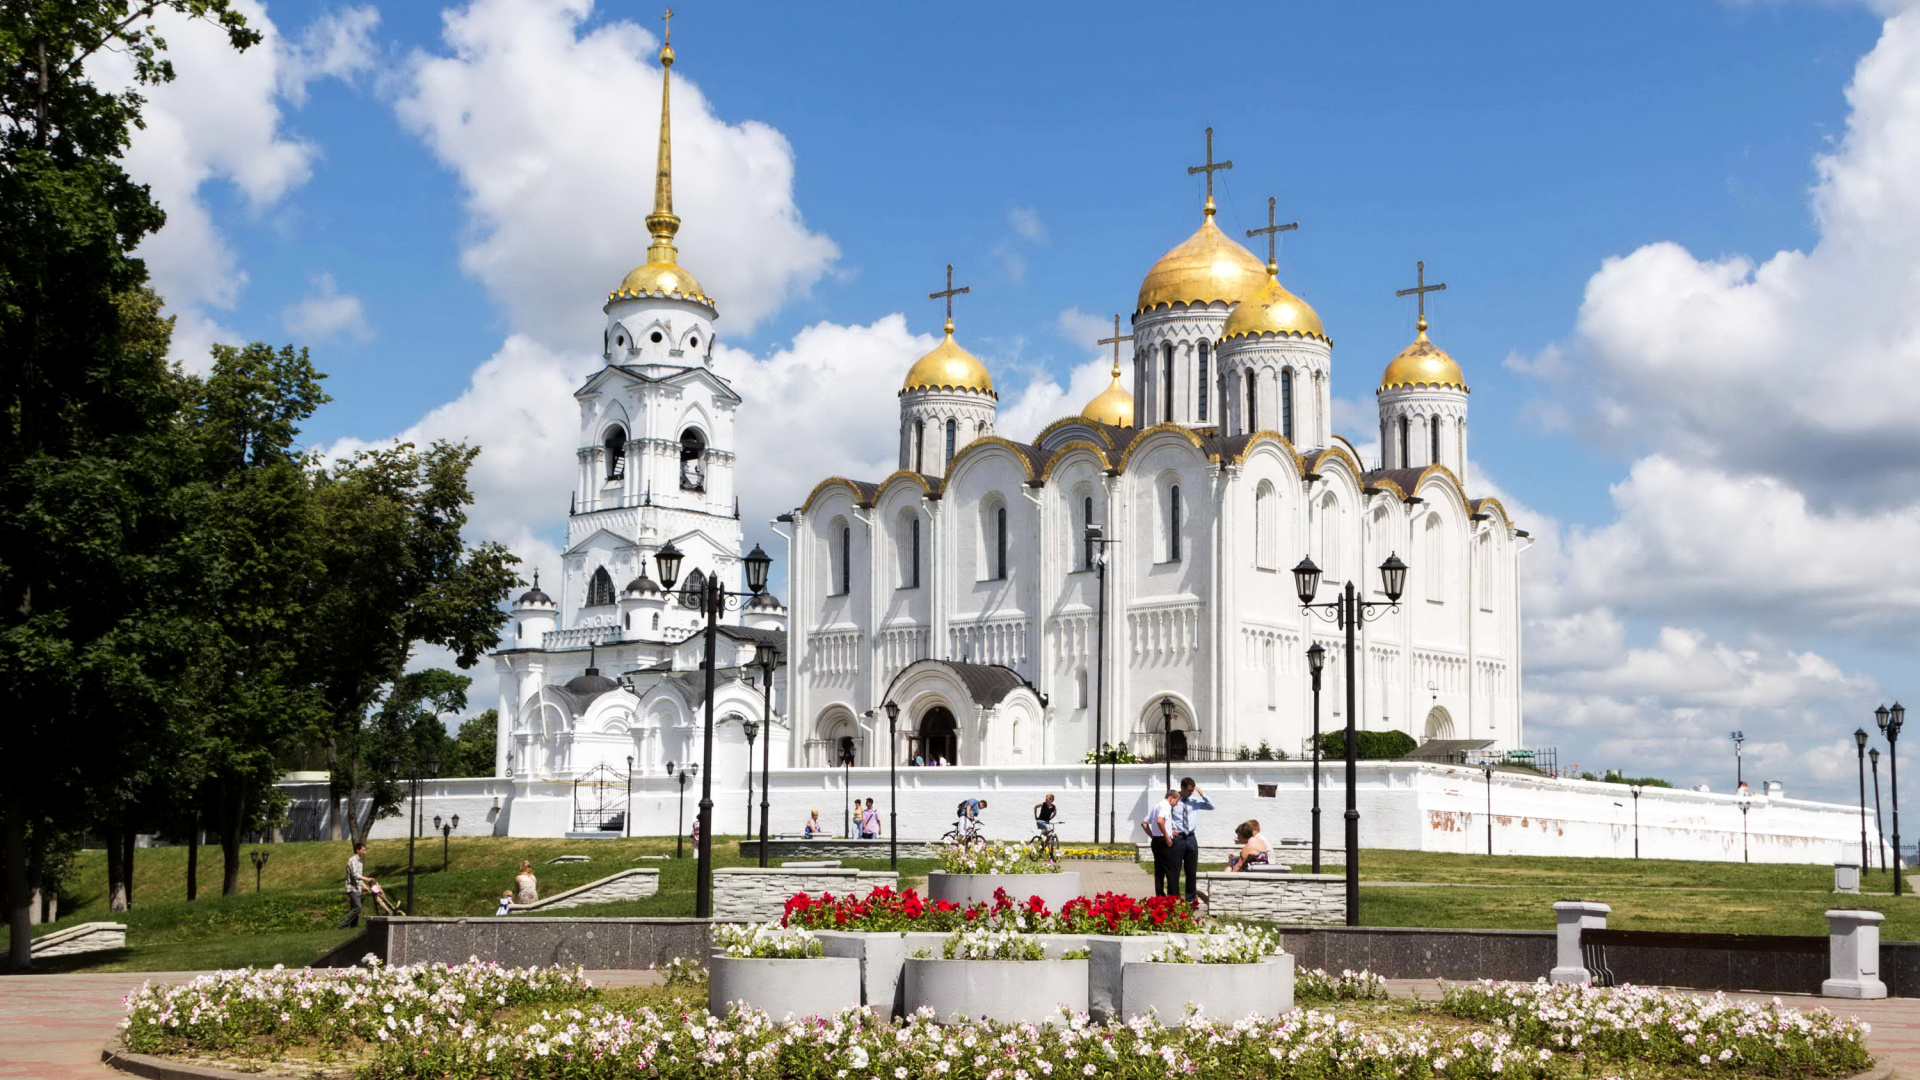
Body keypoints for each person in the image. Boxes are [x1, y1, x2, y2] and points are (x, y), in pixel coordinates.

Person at [1168, 777, 1215, 902]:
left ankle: (1190, 897)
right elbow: (1165, 815)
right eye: (1189, 790)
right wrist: (1169, 829)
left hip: (1191, 838)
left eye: (1192, 790)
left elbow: (1211, 806)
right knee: (1175, 869)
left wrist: (1202, 793)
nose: (1190, 793)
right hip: (1178, 838)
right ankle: (1173, 898)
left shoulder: (1194, 801)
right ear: (1182, 788)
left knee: (1191, 869)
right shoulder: (1174, 801)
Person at [1141, 791, 1177, 897]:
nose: (1176, 804)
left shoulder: (1157, 805)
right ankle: (1172, 897)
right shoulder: (1166, 806)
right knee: (1171, 870)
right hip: (1164, 841)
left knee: (1159, 871)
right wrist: (1167, 836)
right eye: (1176, 801)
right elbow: (1160, 820)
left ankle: (1160, 896)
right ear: (1171, 798)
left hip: (1156, 841)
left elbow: (1144, 823)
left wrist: (1153, 836)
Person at [339, 841, 371, 928]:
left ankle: (353, 927)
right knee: (358, 907)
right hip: (352, 888)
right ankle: (343, 926)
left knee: (354, 908)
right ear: (358, 850)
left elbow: (359, 878)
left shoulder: (360, 861)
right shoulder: (353, 860)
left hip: (357, 888)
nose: (365, 852)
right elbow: (354, 874)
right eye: (363, 850)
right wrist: (366, 878)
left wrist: (364, 886)